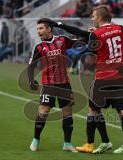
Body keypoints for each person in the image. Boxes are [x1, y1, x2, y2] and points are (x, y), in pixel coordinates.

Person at [47, 5, 123, 159]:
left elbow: (90, 58)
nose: (92, 18)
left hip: (103, 78)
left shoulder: (96, 34)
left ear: (99, 18)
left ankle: (90, 144)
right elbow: (120, 47)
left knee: (93, 111)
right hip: (119, 77)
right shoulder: (120, 29)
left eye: (93, 16)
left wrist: (92, 39)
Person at [28, 18, 79, 153]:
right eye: (37, 29)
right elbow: (31, 65)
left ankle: (67, 143)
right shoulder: (39, 47)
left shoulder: (62, 40)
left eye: (41, 28)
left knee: (67, 113)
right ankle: (35, 140)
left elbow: (77, 43)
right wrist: (31, 80)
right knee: (43, 111)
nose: (39, 31)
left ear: (49, 29)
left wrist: (89, 36)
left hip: (64, 83)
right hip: (48, 84)